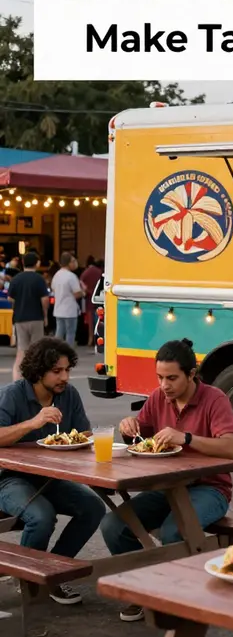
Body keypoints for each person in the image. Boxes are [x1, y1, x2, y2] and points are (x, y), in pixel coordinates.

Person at [101, 338, 233, 622]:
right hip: (165, 485)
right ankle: (142, 589)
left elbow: (230, 448)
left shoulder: (215, 399)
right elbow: (141, 435)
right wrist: (129, 428)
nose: (165, 385)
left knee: (174, 531)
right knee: (114, 525)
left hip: (209, 487)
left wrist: (185, 438)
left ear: (192, 374)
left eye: (172, 378)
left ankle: (176, 601)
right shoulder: (157, 397)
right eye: (160, 377)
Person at [0, 338, 106, 605]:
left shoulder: (69, 395)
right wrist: (33, 422)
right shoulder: (13, 395)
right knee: (41, 516)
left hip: (50, 478)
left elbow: (84, 433)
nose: (65, 377)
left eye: (68, 370)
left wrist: (80, 440)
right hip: (9, 479)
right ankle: (28, 582)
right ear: (38, 371)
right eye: (57, 371)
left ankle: (52, 574)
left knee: (93, 507)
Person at [8, 252, 50, 381]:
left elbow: (10, 298)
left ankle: (17, 380)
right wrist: (45, 315)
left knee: (21, 351)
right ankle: (35, 380)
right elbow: (44, 299)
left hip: (20, 319)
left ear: (22, 263)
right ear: (37, 263)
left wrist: (19, 304)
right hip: (36, 318)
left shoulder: (16, 279)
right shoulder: (39, 279)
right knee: (37, 351)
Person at [51, 252, 84, 345]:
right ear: (69, 263)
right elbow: (77, 293)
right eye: (73, 261)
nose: (75, 263)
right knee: (70, 334)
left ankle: (56, 352)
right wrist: (83, 292)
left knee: (59, 333)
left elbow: (53, 289)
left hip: (58, 309)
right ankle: (68, 354)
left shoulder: (56, 275)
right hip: (70, 310)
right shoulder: (71, 276)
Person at [80, 257, 103, 346]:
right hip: (99, 299)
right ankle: (99, 339)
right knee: (99, 319)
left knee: (90, 322)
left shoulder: (85, 273)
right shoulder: (99, 272)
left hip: (89, 299)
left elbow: (81, 283)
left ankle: (90, 339)